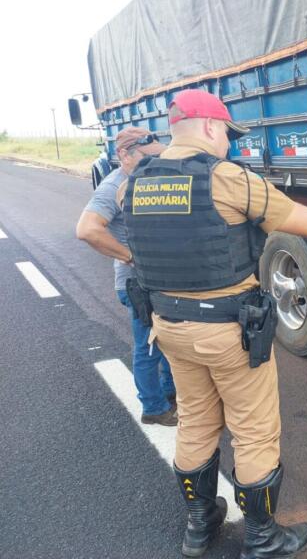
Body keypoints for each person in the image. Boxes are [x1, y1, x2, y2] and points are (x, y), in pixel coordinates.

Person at [119, 89, 307, 559]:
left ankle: (200, 525)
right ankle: (263, 538)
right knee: (254, 429)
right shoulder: (227, 180)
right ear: (207, 126)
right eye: (225, 131)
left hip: (169, 327)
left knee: (197, 421)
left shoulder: (134, 182)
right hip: (226, 332)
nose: (228, 142)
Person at [76, 127, 178, 426]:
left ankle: (170, 393)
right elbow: (86, 230)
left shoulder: (148, 179)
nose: (154, 163)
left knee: (167, 342)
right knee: (148, 347)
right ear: (124, 154)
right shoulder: (114, 186)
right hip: (136, 284)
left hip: (157, 283)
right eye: (147, 158)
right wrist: (131, 257)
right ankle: (154, 408)